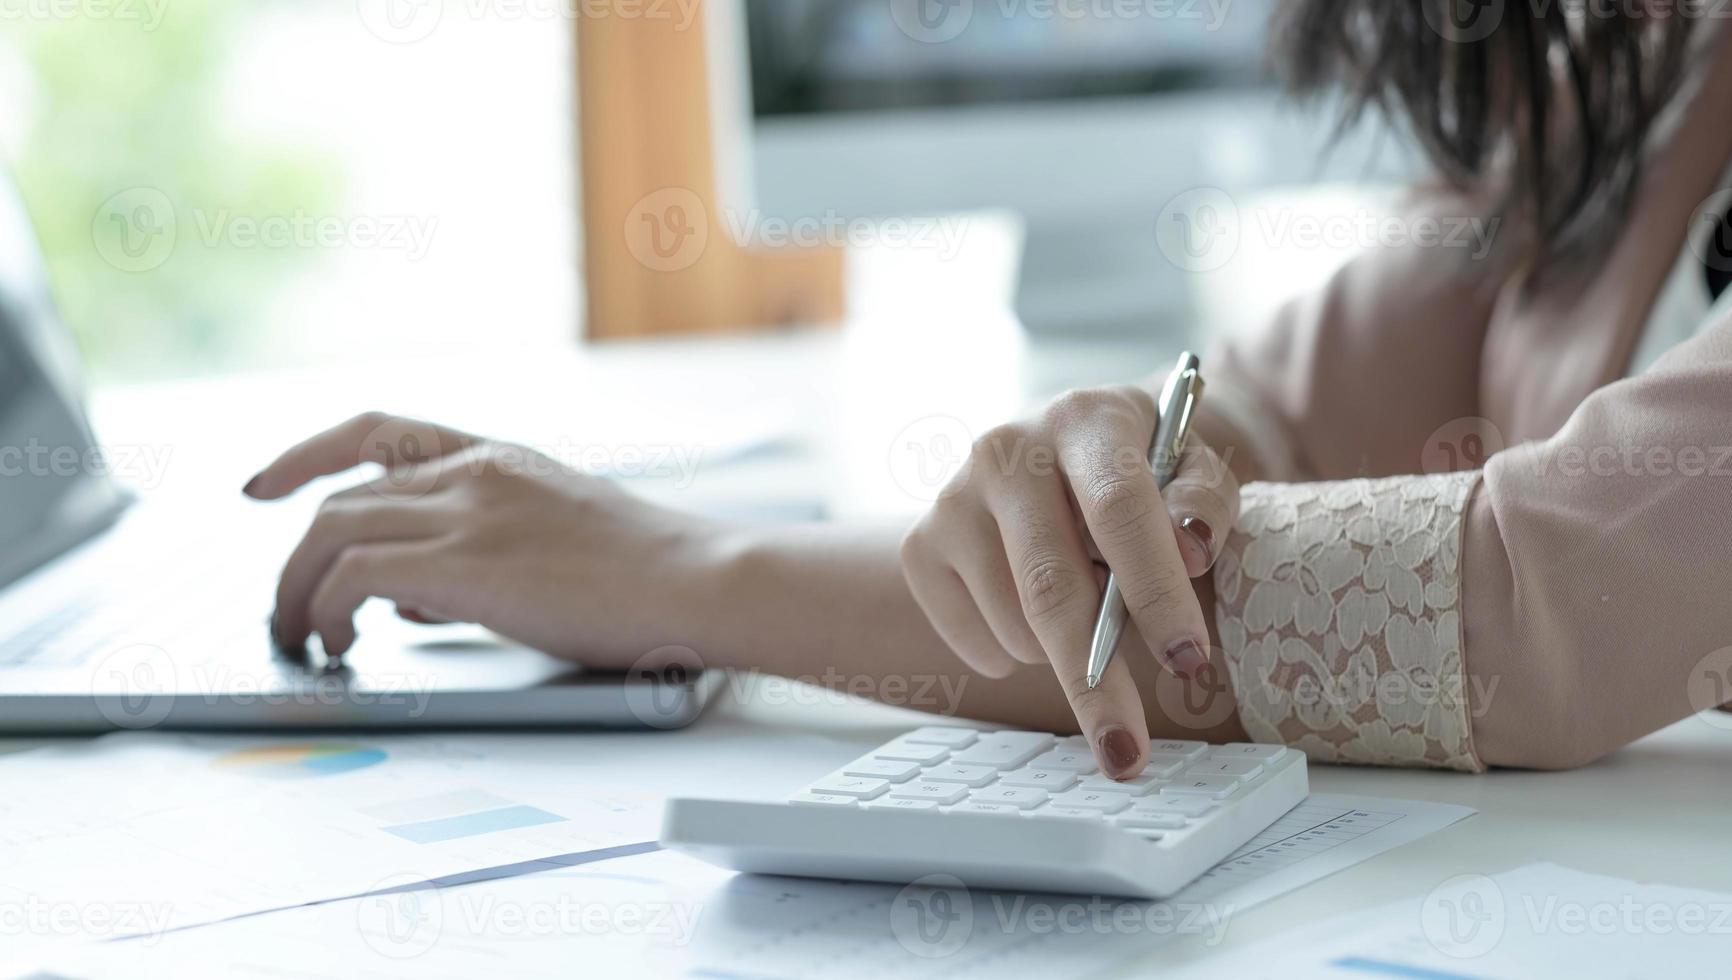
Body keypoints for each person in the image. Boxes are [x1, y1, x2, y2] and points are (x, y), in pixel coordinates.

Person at [244, 4, 1732, 780]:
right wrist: (1130, 467)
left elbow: (1511, 609)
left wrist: (675, 570)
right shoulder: (1654, 69)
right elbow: (1289, 402)